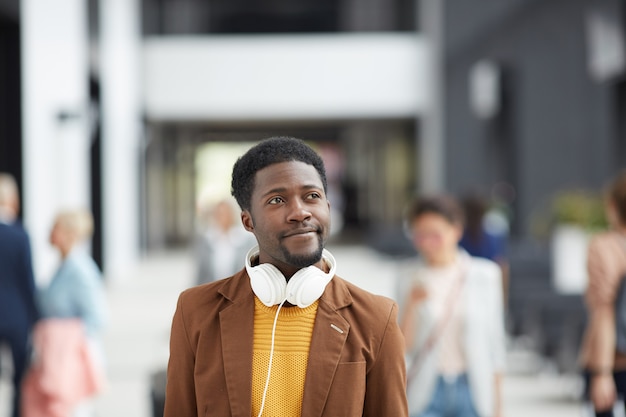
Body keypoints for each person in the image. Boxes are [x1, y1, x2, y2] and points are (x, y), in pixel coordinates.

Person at [164, 136, 408, 417]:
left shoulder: (377, 319)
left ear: (328, 208)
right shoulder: (195, 311)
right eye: (277, 200)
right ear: (248, 221)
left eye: (311, 196)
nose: (300, 212)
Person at [398, 194, 506, 417]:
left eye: (435, 236)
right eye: (420, 236)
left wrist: (498, 406)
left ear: (456, 230)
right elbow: (401, 346)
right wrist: (411, 304)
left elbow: (495, 346)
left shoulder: (485, 275)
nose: (427, 244)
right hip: (427, 390)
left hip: (472, 388)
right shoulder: (409, 276)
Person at [25, 208, 108, 417]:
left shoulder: (80, 270)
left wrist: (65, 337)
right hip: (56, 355)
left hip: (72, 358)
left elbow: (97, 317)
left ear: (70, 234)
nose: (49, 232)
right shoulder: (63, 266)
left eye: (55, 228)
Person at [580, 170, 626, 417]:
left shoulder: (604, 247)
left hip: (613, 361)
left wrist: (601, 372)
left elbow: (603, 311)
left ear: (612, 206)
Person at [0, 173, 39, 417]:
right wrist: (36, 319)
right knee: (19, 379)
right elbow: (28, 281)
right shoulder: (20, 235)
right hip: (16, 318)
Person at [193, 197, 255, 286]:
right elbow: (200, 274)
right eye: (219, 214)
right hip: (213, 291)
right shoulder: (206, 241)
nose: (223, 217)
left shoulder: (246, 240)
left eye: (226, 214)